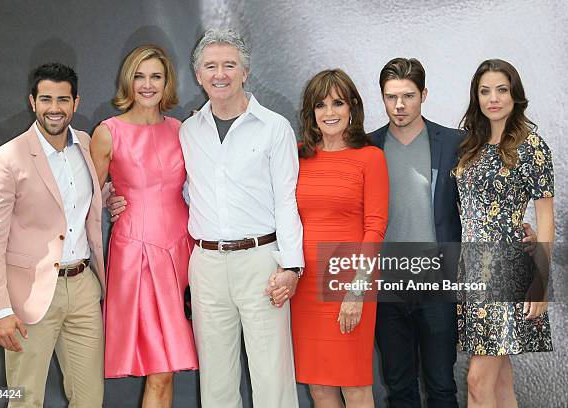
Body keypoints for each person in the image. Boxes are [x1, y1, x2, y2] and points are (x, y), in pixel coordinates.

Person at [181, 28, 303, 407]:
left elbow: (286, 201)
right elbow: (184, 191)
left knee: (272, 376)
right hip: (207, 264)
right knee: (216, 380)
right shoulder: (188, 131)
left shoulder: (275, 128)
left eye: (229, 65)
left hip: (261, 263)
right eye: (211, 66)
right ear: (198, 75)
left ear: (245, 72)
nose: (220, 74)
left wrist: (292, 267)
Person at [0, 63, 105, 407]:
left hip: (83, 290)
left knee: (90, 400)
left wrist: (112, 198)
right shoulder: (5, 159)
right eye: (46, 99)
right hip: (29, 296)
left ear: (76, 103)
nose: (55, 108)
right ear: (32, 102)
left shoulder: (87, 146)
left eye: (63, 99)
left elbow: (84, 204)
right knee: (26, 400)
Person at [90, 44, 197, 407]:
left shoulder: (181, 129)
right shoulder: (108, 132)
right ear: (127, 81)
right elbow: (87, 194)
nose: (147, 85)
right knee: (160, 367)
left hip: (183, 252)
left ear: (167, 82)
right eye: (139, 76)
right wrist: (107, 199)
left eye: (155, 76)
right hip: (136, 256)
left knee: (167, 369)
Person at [454, 59, 554, 407]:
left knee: (477, 383)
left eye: (501, 89)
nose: (493, 98)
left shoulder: (532, 147)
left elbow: (545, 222)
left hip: (508, 271)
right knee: (500, 383)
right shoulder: (471, 146)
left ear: (515, 95)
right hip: (472, 272)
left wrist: (540, 283)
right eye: (485, 91)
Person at [289, 69, 388, 407]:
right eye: (320, 105)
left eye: (337, 103)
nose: (329, 112)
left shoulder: (370, 157)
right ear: (311, 113)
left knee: (355, 385)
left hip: (348, 281)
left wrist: (357, 290)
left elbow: (375, 226)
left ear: (352, 108)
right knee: (318, 387)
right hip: (304, 285)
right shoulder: (297, 156)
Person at [369, 57, 463, 408]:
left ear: (423, 94)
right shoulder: (367, 147)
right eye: (391, 96)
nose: (399, 105)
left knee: (441, 386)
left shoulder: (454, 143)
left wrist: (518, 227)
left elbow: (479, 201)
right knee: (399, 386)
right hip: (387, 286)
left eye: (408, 95)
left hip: (437, 283)